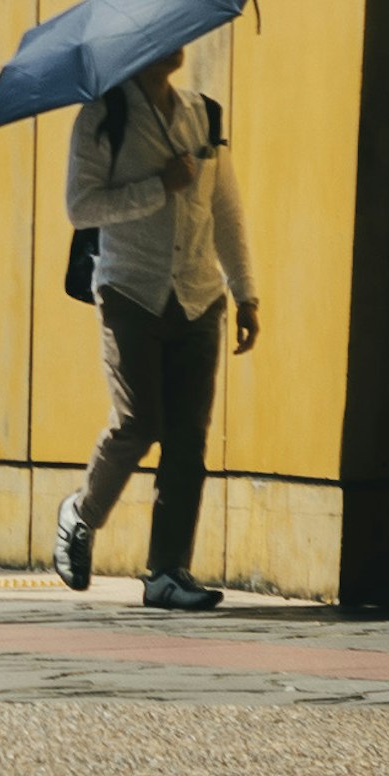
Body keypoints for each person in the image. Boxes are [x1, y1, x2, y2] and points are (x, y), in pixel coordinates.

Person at [57, 42, 258, 610]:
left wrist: (246, 294)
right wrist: (157, 188)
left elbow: (227, 209)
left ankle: (168, 571)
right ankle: (81, 513)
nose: (177, 44)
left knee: (188, 439)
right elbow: (81, 206)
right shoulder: (103, 116)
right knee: (138, 421)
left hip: (199, 294)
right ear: (136, 50)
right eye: (161, 37)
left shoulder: (204, 113)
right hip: (130, 290)